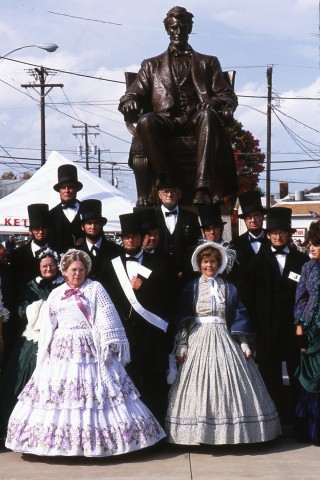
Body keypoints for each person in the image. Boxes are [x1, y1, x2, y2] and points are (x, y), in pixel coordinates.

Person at [5, 249, 164, 457]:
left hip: (90, 347)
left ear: (86, 270)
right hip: (62, 350)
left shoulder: (95, 288)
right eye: (73, 270)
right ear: (64, 270)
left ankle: (105, 443)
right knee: (62, 397)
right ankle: (54, 444)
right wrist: (46, 350)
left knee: (96, 395)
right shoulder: (56, 293)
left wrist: (108, 343)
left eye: (81, 270)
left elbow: (107, 316)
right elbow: (48, 324)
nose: (77, 274)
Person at [118, 6, 238, 205]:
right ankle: (166, 180)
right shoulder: (151, 65)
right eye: (174, 28)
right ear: (167, 30)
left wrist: (212, 102)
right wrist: (129, 101)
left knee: (209, 116)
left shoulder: (208, 63)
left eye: (182, 27)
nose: (178, 32)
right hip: (165, 121)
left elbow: (227, 96)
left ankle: (202, 186)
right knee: (147, 120)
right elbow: (132, 93)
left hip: (196, 120)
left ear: (190, 29)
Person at [165, 242, 281, 445]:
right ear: (199, 264)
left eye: (213, 261)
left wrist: (243, 342)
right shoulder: (191, 287)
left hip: (224, 336)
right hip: (198, 336)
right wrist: (182, 343)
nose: (209, 265)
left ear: (219, 264)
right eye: (206, 261)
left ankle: (233, 433)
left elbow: (239, 313)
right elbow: (183, 314)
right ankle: (197, 434)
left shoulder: (229, 287)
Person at [106, 212, 177, 425]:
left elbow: (170, 297)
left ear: (141, 237)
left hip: (151, 335)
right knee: (127, 382)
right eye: (126, 236)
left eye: (134, 236)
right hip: (125, 336)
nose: (130, 240)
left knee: (154, 382)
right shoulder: (112, 264)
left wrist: (145, 289)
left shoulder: (161, 263)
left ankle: (156, 429)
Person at [243, 207, 309, 425]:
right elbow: (248, 295)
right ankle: (274, 421)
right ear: (268, 235)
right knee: (269, 375)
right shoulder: (257, 261)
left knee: (296, 372)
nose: (278, 236)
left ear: (289, 234)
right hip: (266, 328)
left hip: (294, 328)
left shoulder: (301, 260)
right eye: (274, 233)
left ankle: (298, 419)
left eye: (282, 232)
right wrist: (253, 327)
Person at [0, 249, 63, 447]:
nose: (48, 269)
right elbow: (20, 308)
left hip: (58, 336)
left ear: (58, 266)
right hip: (34, 335)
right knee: (22, 377)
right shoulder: (31, 285)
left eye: (51, 265)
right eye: (44, 266)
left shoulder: (65, 284)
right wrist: (37, 309)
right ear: (39, 267)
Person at [294, 220, 320, 444]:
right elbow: (301, 299)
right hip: (312, 332)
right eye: (310, 242)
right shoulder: (307, 267)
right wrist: (299, 326)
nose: (310, 247)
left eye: (316, 243)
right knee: (311, 383)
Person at [155, 171, 201, 276]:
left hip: (184, 275)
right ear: (159, 194)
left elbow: (196, 246)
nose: (170, 195)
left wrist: (186, 270)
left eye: (173, 191)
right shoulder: (152, 217)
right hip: (158, 275)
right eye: (166, 191)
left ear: (179, 195)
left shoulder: (191, 217)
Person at [78, 199, 123, 291]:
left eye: (96, 223)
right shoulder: (76, 252)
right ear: (83, 227)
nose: (93, 227)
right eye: (89, 223)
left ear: (101, 225)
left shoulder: (117, 251)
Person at [229, 190, 269, 285]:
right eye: (249, 217)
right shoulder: (235, 244)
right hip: (244, 296)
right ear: (245, 220)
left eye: (256, 215)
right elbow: (232, 275)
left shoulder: (273, 240)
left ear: (262, 217)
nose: (253, 220)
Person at [49, 164, 84, 254]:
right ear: (59, 191)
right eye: (63, 187)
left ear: (76, 189)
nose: (67, 191)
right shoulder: (51, 215)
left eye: (70, 187)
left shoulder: (87, 210)